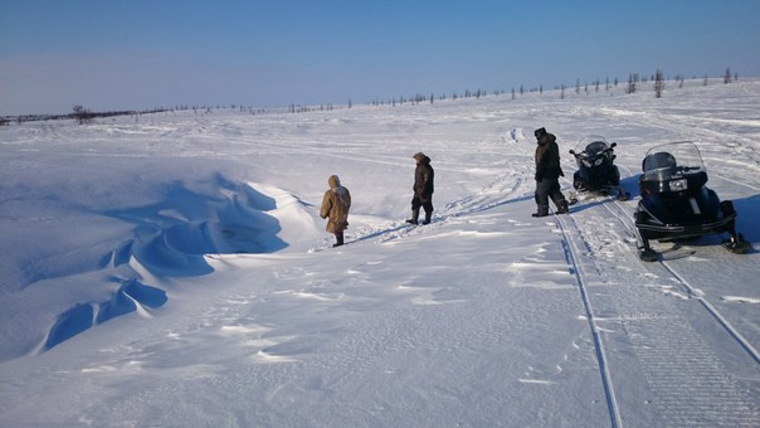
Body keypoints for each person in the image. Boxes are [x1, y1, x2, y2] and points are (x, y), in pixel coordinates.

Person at [533, 127, 569, 217]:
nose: (537, 138)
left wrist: (538, 174)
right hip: (554, 172)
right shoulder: (553, 144)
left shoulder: (544, 146)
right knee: (554, 190)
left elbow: (542, 162)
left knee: (540, 193)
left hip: (546, 173)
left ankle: (542, 212)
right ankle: (563, 207)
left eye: (537, 136)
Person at [320, 175, 351, 247]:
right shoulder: (345, 190)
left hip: (335, 213)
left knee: (336, 226)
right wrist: (346, 209)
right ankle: (340, 241)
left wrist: (323, 214)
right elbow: (349, 201)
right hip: (344, 212)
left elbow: (326, 205)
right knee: (340, 226)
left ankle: (339, 243)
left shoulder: (329, 193)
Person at [407, 152, 434, 225]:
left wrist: (425, 190)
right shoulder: (419, 166)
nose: (415, 160)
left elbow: (427, 180)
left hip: (425, 190)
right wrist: (415, 186)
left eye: (416, 159)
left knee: (427, 205)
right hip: (418, 189)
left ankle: (427, 220)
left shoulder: (426, 167)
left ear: (420, 159)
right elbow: (418, 179)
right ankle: (414, 220)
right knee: (415, 204)